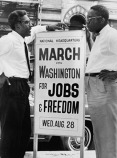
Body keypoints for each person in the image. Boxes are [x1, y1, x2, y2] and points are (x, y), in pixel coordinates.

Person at [0, 10, 65, 158]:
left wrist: (49, 27)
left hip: (22, 87)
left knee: (23, 130)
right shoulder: (7, 40)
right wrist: (1, 75)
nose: (31, 25)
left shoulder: (21, 40)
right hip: (12, 87)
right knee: (11, 131)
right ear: (18, 25)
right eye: (27, 22)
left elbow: (35, 31)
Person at [85, 5, 117, 158]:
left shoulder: (113, 34)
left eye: (90, 19)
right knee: (100, 134)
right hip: (96, 86)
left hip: (104, 87)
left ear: (101, 19)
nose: (87, 22)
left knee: (107, 134)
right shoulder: (99, 35)